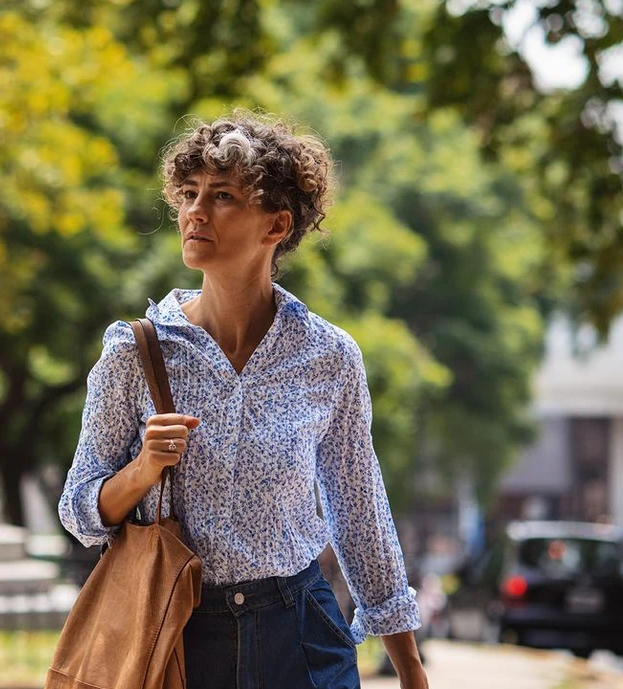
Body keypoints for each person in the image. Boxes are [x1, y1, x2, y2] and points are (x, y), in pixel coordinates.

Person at [58, 110, 429, 689]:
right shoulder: (136, 351)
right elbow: (79, 509)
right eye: (188, 193)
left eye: (223, 195)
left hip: (301, 630)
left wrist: (409, 667)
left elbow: (360, 512)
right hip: (179, 631)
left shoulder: (329, 356)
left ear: (276, 225)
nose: (195, 212)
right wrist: (142, 469)